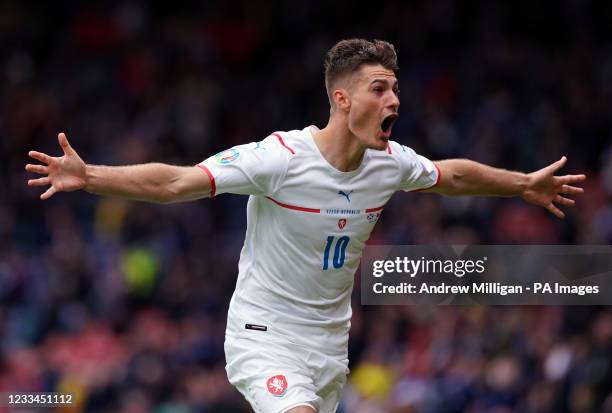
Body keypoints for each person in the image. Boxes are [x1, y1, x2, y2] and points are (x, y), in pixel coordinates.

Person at [25, 39, 585, 413]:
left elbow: (452, 177)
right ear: (342, 100)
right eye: (380, 89)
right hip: (264, 336)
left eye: (395, 88)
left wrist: (522, 185)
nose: (395, 99)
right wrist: (90, 175)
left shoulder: (389, 163)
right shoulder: (280, 159)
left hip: (329, 347)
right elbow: (175, 183)